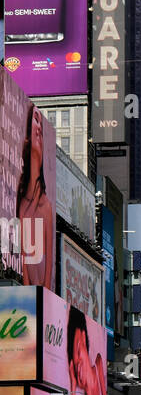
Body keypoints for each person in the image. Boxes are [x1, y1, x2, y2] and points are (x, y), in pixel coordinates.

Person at [16, 103, 54, 289]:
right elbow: (23, 262)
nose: (39, 127)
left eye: (40, 121)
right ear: (27, 141)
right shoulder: (22, 203)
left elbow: (49, 271)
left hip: (42, 301)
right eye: (35, 121)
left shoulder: (46, 206)